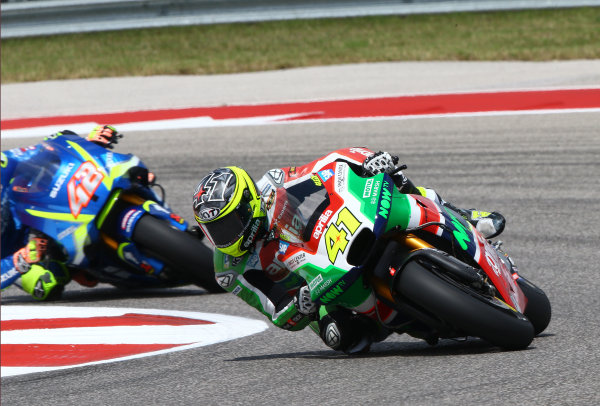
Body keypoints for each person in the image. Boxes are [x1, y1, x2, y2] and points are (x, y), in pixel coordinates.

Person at [192, 147, 506, 353]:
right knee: (342, 338)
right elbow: (272, 309)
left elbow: (325, 168)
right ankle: (411, 319)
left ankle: (463, 215)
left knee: (393, 180)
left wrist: (367, 162)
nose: (225, 235)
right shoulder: (228, 270)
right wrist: (298, 305)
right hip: (311, 289)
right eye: (216, 229)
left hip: (326, 237)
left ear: (250, 204)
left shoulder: (272, 187)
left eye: (230, 222)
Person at [1, 125, 122, 300]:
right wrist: (21, 259)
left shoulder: (3, 162)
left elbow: (42, 149)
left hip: (34, 203)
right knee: (50, 283)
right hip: (17, 251)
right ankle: (73, 264)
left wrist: (88, 145)